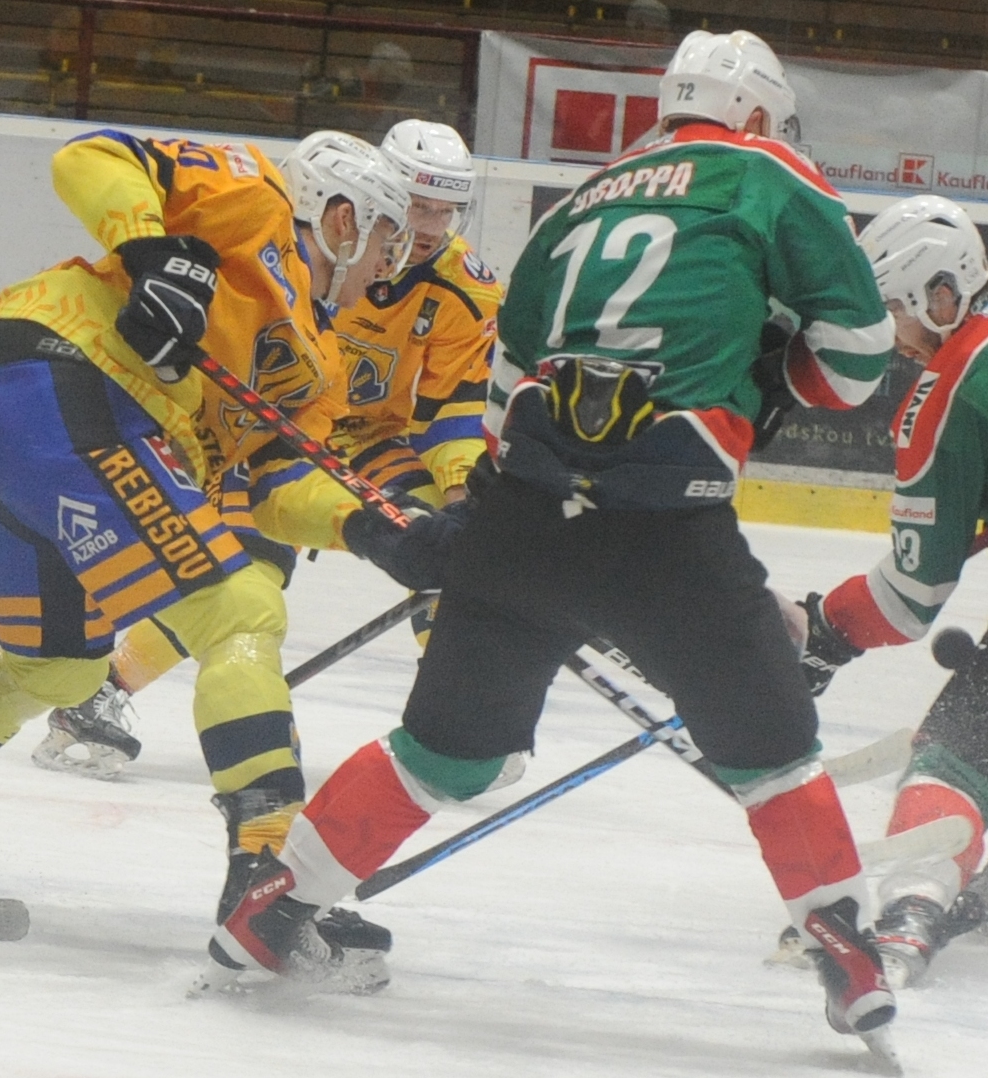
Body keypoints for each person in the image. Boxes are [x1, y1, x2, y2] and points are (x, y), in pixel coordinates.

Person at [204, 29, 905, 1060]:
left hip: (516, 518)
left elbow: (502, 400)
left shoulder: (578, 200)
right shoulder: (770, 174)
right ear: (756, 115)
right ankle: (844, 946)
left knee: (440, 751)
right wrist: (761, 367)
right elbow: (853, 365)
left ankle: (267, 909)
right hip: (666, 528)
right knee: (772, 748)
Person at [0, 126, 441, 975]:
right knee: (240, 609)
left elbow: (278, 483)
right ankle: (268, 868)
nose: (394, 258)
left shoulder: (318, 363)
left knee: (57, 669)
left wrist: (375, 530)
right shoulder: (255, 200)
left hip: (24, 417)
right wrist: (154, 253)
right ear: (344, 217)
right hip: (70, 385)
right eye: (389, 233)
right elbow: (92, 156)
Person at [30, 119, 499, 779]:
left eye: (445, 211)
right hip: (266, 425)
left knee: (447, 544)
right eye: (418, 206)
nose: (428, 226)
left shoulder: (464, 288)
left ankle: (460, 712)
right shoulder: (306, 239)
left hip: (368, 438)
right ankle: (106, 689)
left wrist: (458, 494)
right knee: (249, 568)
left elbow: (451, 411)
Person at [796, 194, 988, 987]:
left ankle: (912, 906)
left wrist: (826, 630)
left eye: (894, 311)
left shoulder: (949, 385)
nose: (890, 336)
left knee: (953, 757)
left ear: (942, 294)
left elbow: (912, 594)